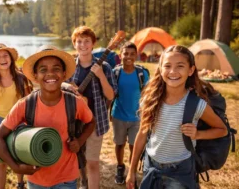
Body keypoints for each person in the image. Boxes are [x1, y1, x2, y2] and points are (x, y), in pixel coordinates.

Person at [0, 45, 96, 189]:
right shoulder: (25, 104)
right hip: (36, 179)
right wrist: (15, 166)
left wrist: (80, 140)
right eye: (43, 70)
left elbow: (91, 122)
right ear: (35, 76)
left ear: (64, 73)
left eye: (56, 68)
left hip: (67, 178)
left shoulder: (74, 102)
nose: (50, 74)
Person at [126, 45, 228, 189]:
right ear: (160, 69)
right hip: (151, 167)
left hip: (181, 171)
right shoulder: (150, 100)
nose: (173, 71)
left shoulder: (197, 105)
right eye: (167, 66)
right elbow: (142, 134)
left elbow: (222, 130)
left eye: (180, 66)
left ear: (191, 70)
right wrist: (131, 170)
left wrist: (198, 134)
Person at [63, 26, 117, 189]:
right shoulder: (70, 66)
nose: (83, 45)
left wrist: (100, 76)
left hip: (95, 120)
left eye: (87, 41)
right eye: (79, 41)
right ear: (74, 44)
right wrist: (67, 85)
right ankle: (82, 182)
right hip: (72, 120)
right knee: (75, 158)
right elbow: (59, 84)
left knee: (92, 162)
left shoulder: (105, 66)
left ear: (93, 44)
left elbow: (110, 96)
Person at [0, 43, 31, 189]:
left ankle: (20, 183)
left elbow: (28, 102)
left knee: (19, 153)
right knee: (0, 160)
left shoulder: (21, 78)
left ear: (11, 58)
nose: (2, 59)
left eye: (5, 55)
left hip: (19, 121)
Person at [111, 42, 149, 185]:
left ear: (136, 55)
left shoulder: (142, 73)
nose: (128, 57)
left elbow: (147, 93)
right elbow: (111, 93)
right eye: (125, 53)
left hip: (137, 117)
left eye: (132, 54)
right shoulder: (116, 72)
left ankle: (132, 170)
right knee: (119, 144)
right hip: (119, 115)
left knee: (134, 146)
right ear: (120, 55)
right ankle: (120, 167)